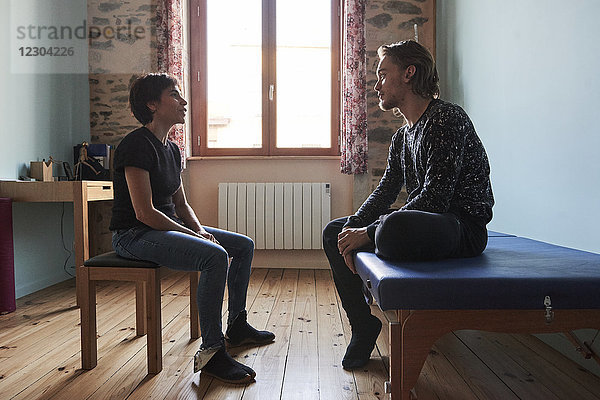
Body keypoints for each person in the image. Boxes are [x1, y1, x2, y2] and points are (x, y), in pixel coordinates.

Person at [323, 40, 494, 370]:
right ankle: (364, 325)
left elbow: (435, 199)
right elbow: (387, 189)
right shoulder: (403, 135)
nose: (377, 85)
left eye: (383, 74)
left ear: (408, 73)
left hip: (461, 228)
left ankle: (380, 237)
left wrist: (371, 231)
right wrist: (355, 225)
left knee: (393, 227)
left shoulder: (446, 119)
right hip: (428, 223)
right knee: (335, 232)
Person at [109, 73, 275, 384]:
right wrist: (194, 236)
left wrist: (198, 229)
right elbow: (144, 213)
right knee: (213, 256)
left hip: (161, 229)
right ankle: (212, 353)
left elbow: (182, 206)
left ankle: (236, 326)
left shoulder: (172, 149)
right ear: (152, 104)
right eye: (174, 95)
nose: (184, 101)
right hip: (133, 235)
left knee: (243, 245)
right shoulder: (134, 145)